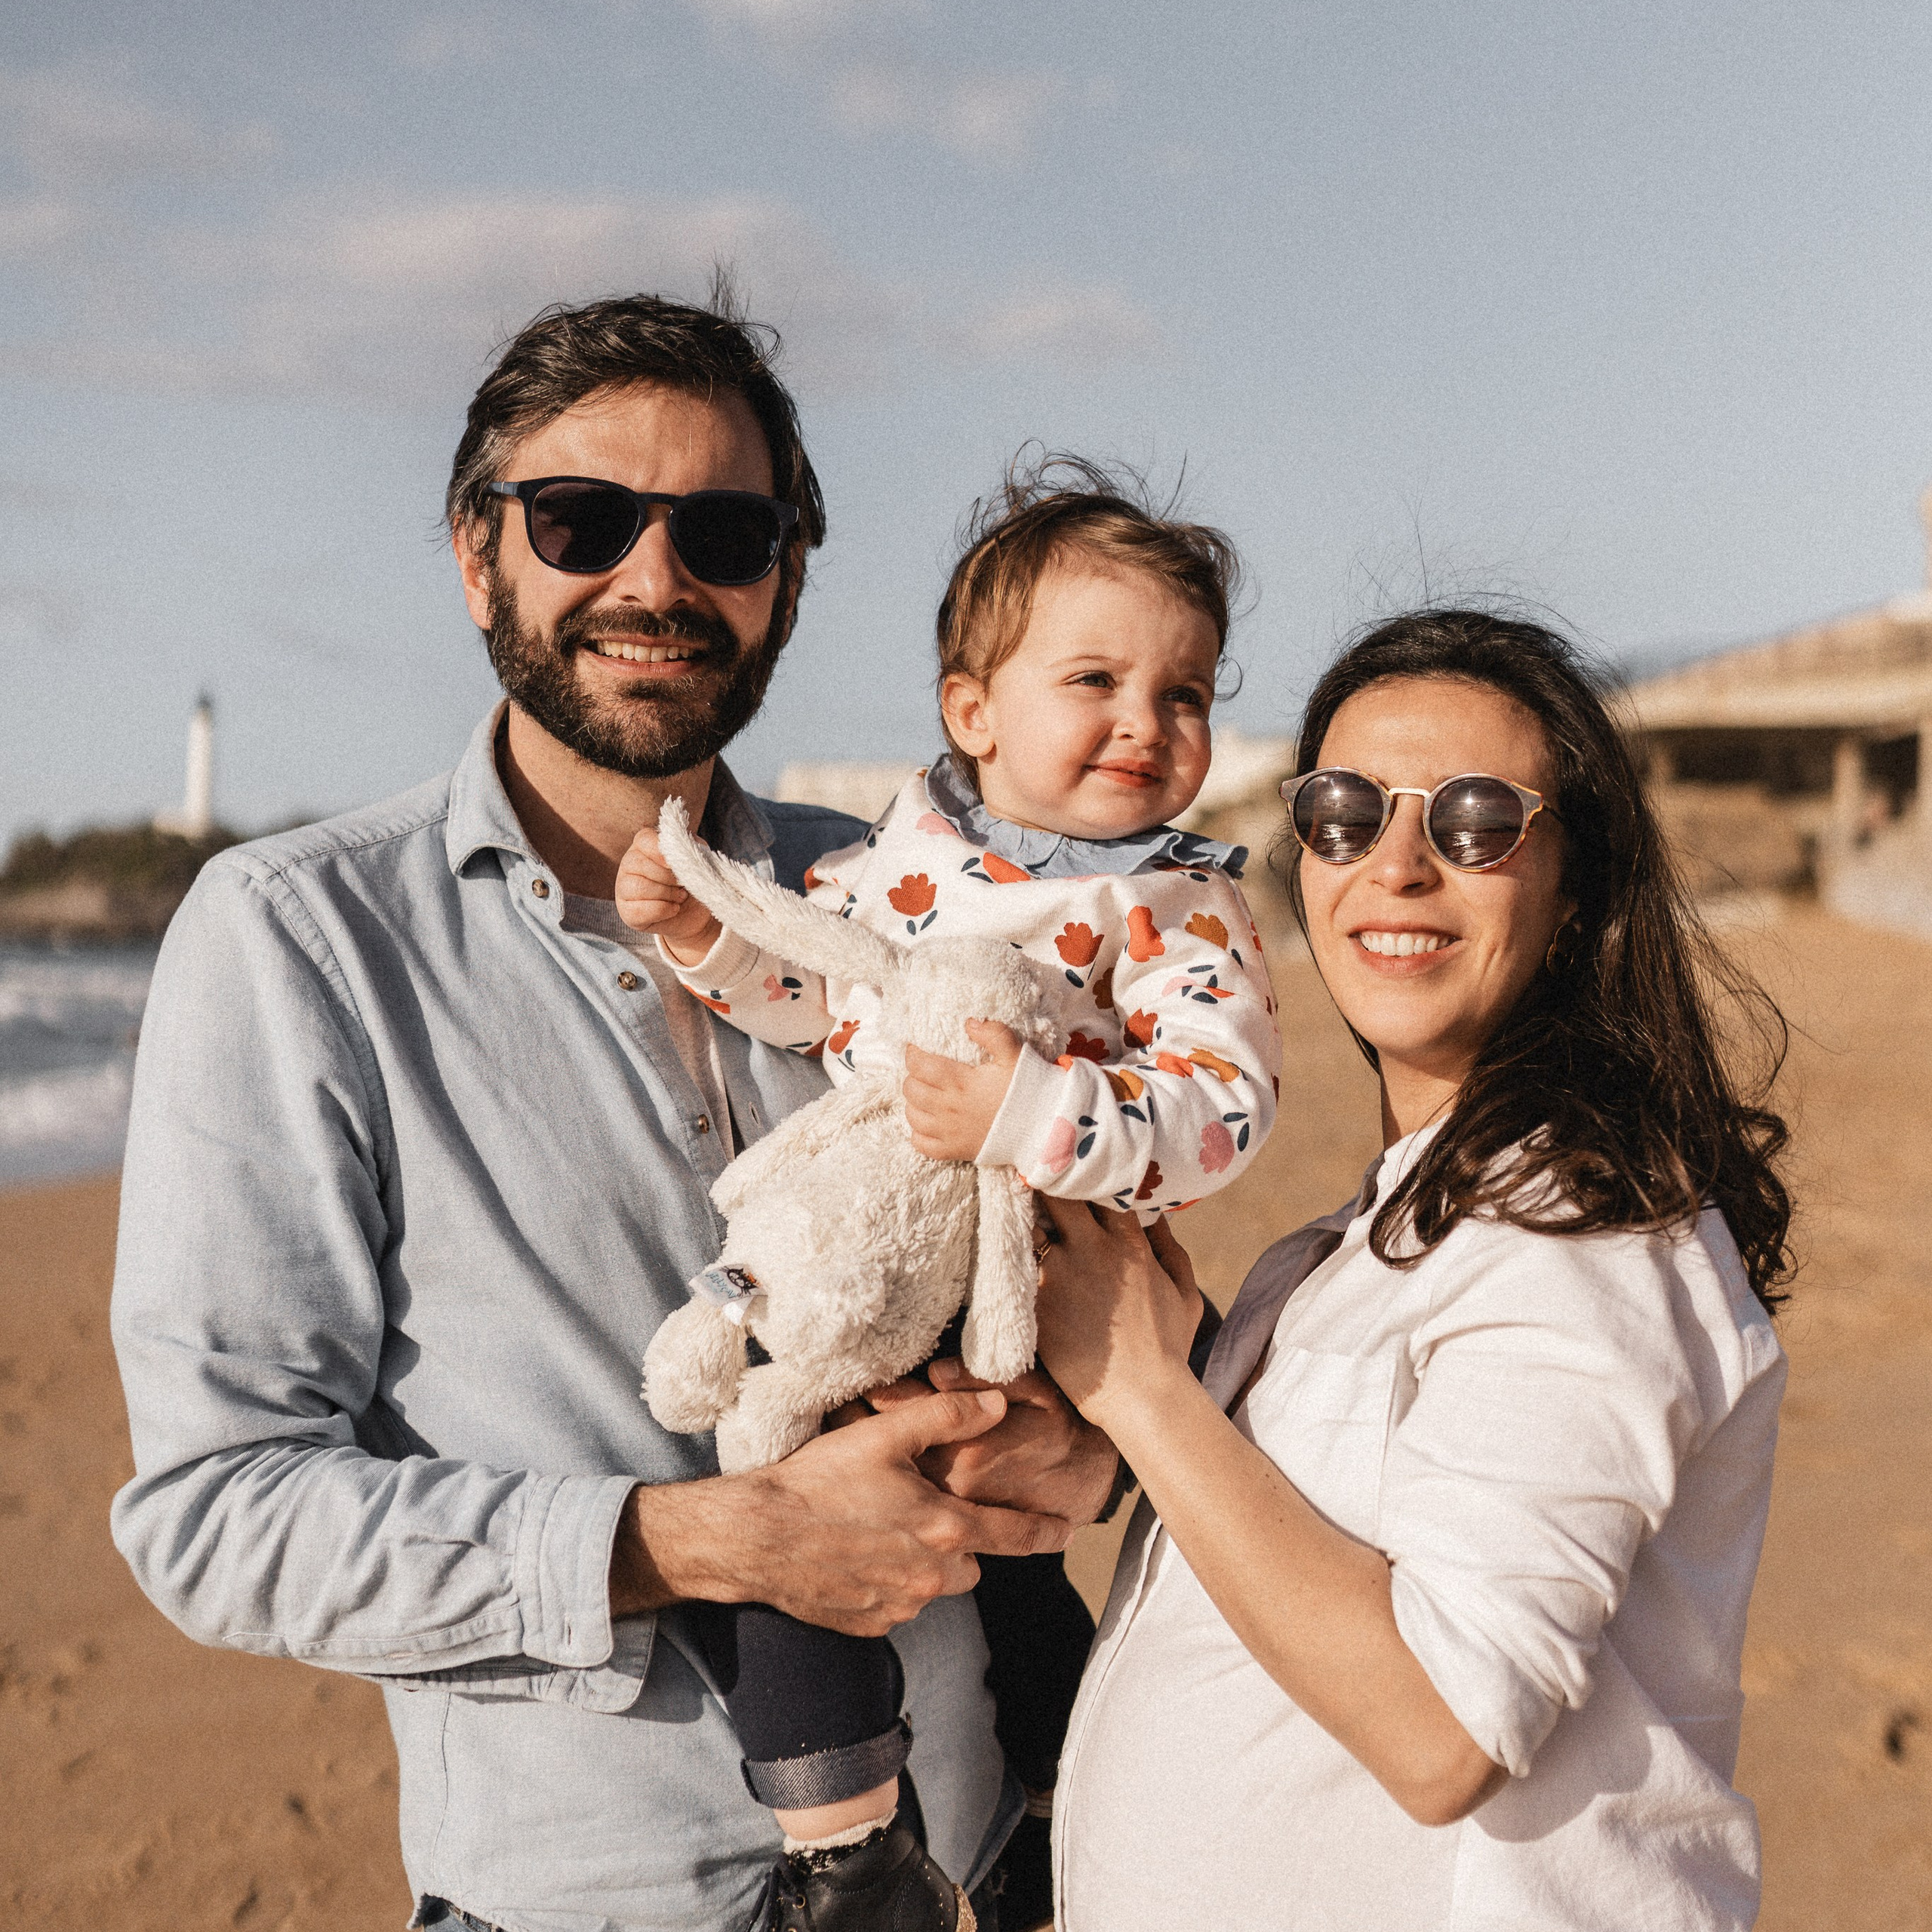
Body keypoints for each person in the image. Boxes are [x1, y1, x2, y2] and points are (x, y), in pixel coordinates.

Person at [107, 290, 1118, 1932]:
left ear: (784, 575)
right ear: (476, 552)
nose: (653, 579)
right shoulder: (297, 938)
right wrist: (708, 1540)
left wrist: (1083, 1449)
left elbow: (1096, 1262)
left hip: (1012, 1864)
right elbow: (217, 1513)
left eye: (721, 529)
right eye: (582, 520)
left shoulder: (913, 898)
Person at [1032, 608, 1793, 1930]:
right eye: (1343, 811)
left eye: (1477, 821)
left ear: (1577, 891)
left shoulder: (1579, 1231)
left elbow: (1445, 1729)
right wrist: (1122, 1443)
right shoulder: (1388, 1223)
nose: (1396, 866)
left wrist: (1145, 1395)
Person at [615, 462, 1281, 1924]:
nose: (1145, 724)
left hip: (1035, 1275)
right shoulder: (901, 861)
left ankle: (1052, 1813)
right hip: (882, 1258)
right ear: (973, 711)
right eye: (1095, 679)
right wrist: (703, 950)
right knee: (794, 1522)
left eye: (1186, 694)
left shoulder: (1175, 904)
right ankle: (849, 1852)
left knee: (1015, 1571)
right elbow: (817, 994)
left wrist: (1039, 1111)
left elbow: (1221, 1110)